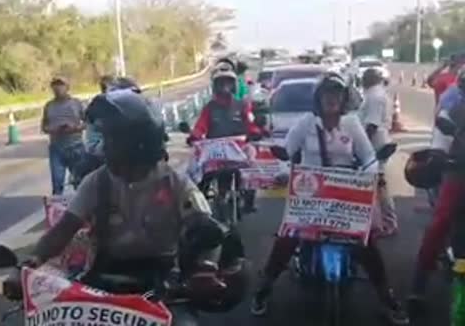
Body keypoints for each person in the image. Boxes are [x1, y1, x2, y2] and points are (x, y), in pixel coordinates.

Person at [33, 91, 247, 326]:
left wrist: (206, 270)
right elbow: (64, 229)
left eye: (113, 139)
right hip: (103, 278)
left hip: (163, 280)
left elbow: (207, 229)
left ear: (139, 143)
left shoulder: (175, 183)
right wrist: (30, 263)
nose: (105, 147)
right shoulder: (96, 182)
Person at [250, 74, 409, 325]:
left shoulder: (353, 124)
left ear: (344, 98)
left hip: (347, 197)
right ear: (319, 98)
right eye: (327, 94)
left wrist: (371, 175)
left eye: (337, 94)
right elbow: (286, 152)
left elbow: (368, 157)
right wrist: (282, 172)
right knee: (287, 239)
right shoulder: (305, 123)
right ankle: (264, 288)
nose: (332, 99)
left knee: (368, 247)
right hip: (310, 195)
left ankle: (386, 297)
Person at [407, 67, 465, 312]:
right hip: (459, 172)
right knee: (440, 222)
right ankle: (419, 283)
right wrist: (442, 158)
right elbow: (441, 141)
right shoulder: (454, 112)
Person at [187, 67, 265, 214]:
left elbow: (251, 124)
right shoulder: (209, 108)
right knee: (200, 171)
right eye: (221, 83)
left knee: (252, 163)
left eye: (228, 83)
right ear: (215, 86)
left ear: (234, 85)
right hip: (215, 152)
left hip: (239, 149)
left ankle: (249, 200)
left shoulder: (242, 105)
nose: (225, 87)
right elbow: (200, 126)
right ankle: (200, 206)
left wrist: (255, 132)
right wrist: (194, 136)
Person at [359, 68, 397, 237]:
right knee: (377, 184)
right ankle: (383, 222)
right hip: (380, 142)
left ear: (368, 80)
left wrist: (361, 146)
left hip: (375, 144)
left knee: (378, 184)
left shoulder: (374, 97)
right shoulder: (378, 94)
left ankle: (387, 223)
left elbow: (371, 125)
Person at [42, 77, 86, 195]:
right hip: (56, 148)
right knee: (57, 184)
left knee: (81, 183)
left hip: (75, 147)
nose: (57, 88)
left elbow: (89, 122)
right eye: (55, 85)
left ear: (67, 87)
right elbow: (44, 127)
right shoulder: (49, 106)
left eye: (61, 85)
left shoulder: (76, 103)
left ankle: (83, 210)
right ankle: (57, 211)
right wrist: (53, 129)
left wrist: (75, 128)